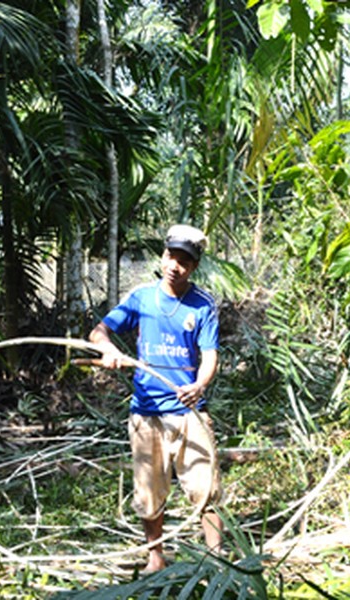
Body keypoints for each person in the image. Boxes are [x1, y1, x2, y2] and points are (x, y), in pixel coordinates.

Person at [89, 224, 222, 572]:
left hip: (189, 413)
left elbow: (209, 356)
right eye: (170, 256)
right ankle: (156, 560)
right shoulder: (141, 298)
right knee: (149, 494)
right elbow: (99, 330)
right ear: (162, 256)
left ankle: (217, 560)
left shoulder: (203, 305)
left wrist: (200, 385)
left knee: (205, 490)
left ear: (194, 266)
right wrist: (107, 350)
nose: (174, 266)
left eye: (183, 261)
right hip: (147, 413)